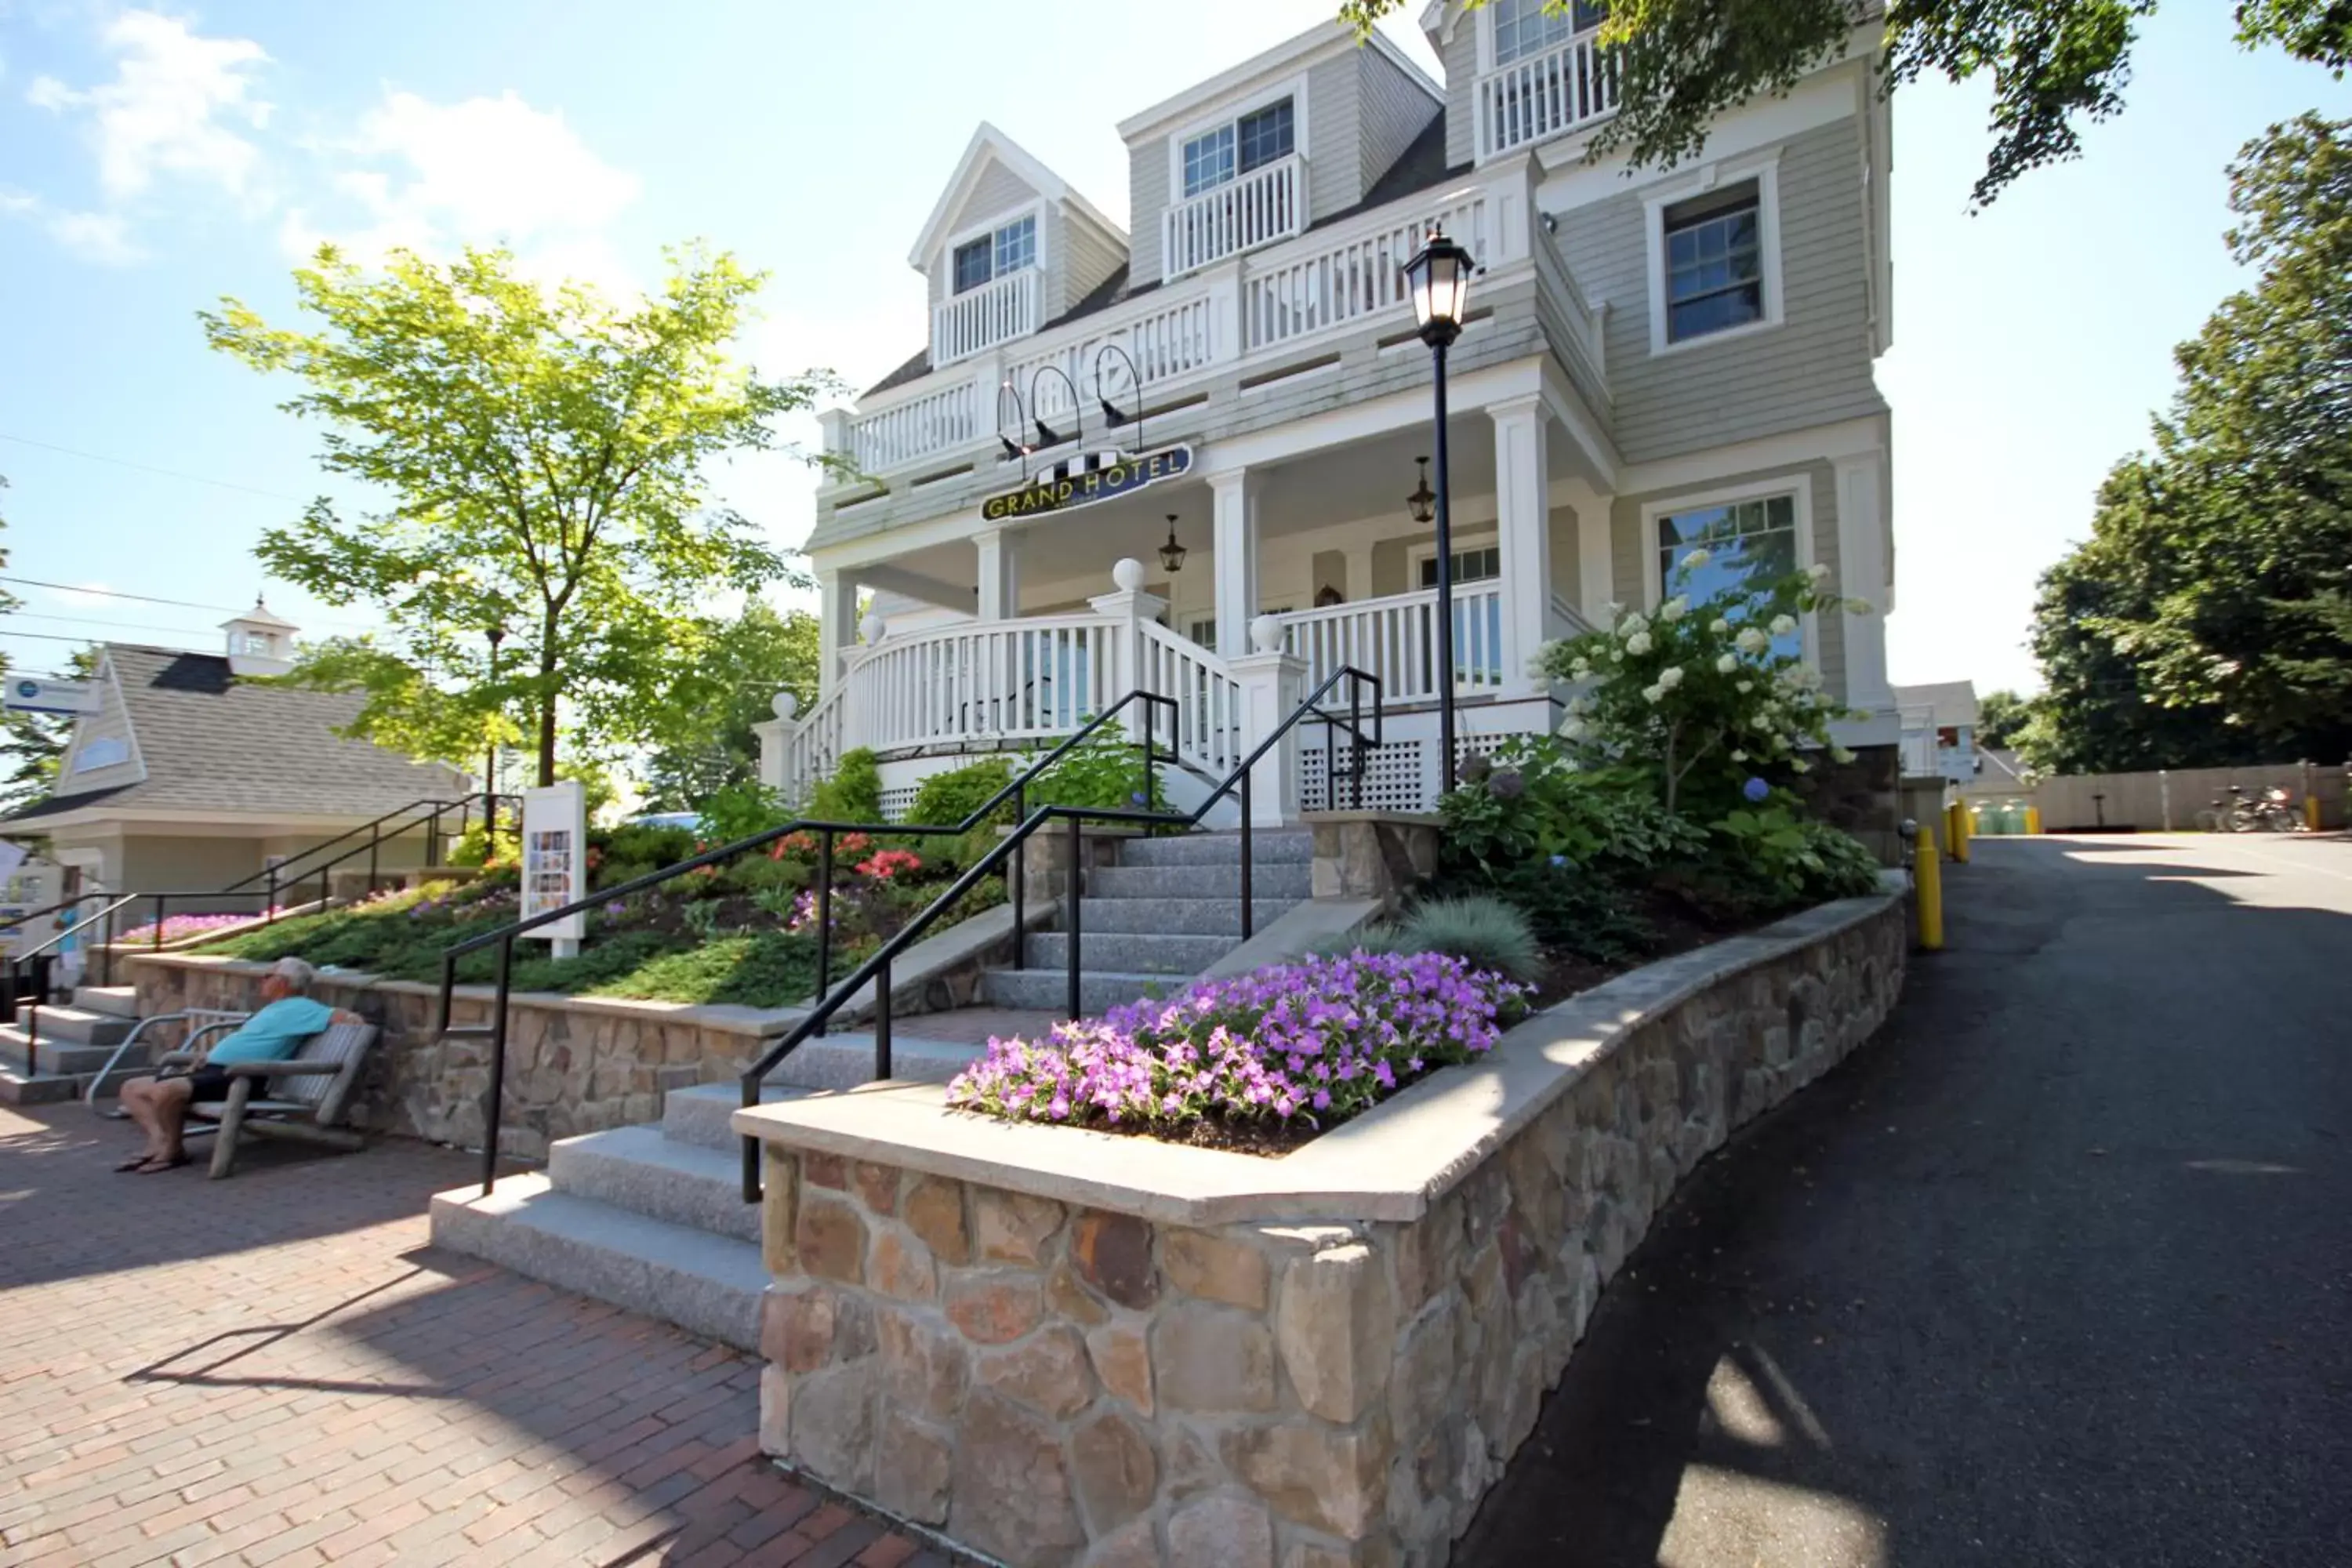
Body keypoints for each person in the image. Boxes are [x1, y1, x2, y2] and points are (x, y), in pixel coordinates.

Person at [114, 956, 357, 1174]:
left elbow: (346, 1018)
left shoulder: (303, 1008)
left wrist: (353, 1021)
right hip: (215, 1071)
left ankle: (173, 1150)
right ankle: (160, 1141)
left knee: (166, 1091)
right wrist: (208, 1056)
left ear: (283, 982)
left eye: (267, 976)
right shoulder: (274, 1009)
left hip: (240, 1077)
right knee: (131, 1088)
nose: (262, 980)